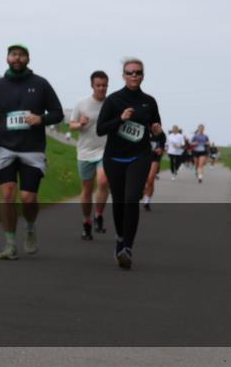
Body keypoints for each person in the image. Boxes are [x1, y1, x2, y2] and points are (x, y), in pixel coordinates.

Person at [0, 44, 64, 259]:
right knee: (7, 194)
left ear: (28, 59)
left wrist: (40, 119)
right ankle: (10, 244)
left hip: (32, 149)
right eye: (13, 54)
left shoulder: (40, 84)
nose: (17, 58)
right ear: (7, 58)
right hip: (4, 148)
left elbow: (58, 113)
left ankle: (31, 228)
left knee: (28, 198)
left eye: (21, 55)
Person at [97, 57, 162, 269]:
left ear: (143, 75)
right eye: (130, 72)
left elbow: (157, 132)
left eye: (138, 72)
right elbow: (101, 129)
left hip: (139, 156)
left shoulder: (149, 102)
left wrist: (159, 135)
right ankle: (119, 237)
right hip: (114, 157)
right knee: (119, 201)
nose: (134, 75)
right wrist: (121, 119)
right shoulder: (114, 100)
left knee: (132, 198)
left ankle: (127, 248)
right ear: (123, 75)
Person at [69, 70, 111, 240]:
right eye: (98, 85)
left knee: (103, 181)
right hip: (85, 151)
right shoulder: (82, 103)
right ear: (92, 86)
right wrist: (80, 124)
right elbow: (71, 125)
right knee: (86, 189)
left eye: (104, 85)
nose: (102, 88)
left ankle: (98, 215)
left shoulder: (112, 103)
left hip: (105, 150)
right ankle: (86, 222)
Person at [142, 129, 166, 211]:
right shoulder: (141, 128)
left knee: (150, 179)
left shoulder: (159, 131)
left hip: (154, 157)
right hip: (142, 157)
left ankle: (147, 202)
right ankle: (142, 193)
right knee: (143, 180)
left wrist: (160, 149)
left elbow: (162, 144)